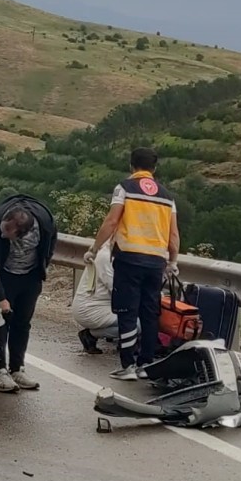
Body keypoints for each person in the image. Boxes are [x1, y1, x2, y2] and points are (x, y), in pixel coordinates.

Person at [85, 147, 180, 381]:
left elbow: (111, 221)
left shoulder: (125, 188)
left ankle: (128, 365)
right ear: (154, 169)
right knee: (149, 313)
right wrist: (173, 261)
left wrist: (94, 249)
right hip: (156, 262)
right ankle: (146, 364)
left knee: (127, 311)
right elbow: (174, 235)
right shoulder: (167, 196)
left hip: (129, 258)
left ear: (131, 166)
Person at [0, 194, 58, 394]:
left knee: (22, 323)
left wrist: (40, 272)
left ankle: (17, 369)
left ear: (23, 233)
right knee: (1, 322)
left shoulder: (44, 223)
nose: (3, 234)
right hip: (4, 275)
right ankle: (0, 372)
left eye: (9, 232)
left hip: (30, 276)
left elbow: (49, 246)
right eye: (3, 229)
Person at [71, 241, 118, 354]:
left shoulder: (114, 253)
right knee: (135, 325)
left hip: (104, 305)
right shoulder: (106, 257)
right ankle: (89, 335)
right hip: (91, 309)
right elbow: (117, 289)